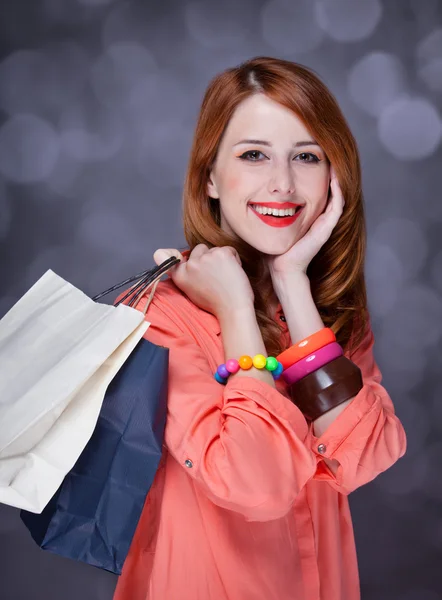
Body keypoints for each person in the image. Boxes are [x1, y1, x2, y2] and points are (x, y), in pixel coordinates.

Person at [112, 56, 407, 600]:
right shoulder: (156, 316)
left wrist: (293, 286)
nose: (283, 183)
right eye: (253, 155)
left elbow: (366, 456)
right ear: (210, 177)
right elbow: (256, 484)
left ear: (334, 177)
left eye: (306, 157)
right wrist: (235, 313)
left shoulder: (326, 314)